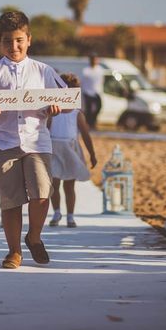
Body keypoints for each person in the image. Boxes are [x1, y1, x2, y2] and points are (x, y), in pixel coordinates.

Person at [0, 11, 65, 269]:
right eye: (7, 41)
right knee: (10, 200)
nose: (14, 46)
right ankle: (14, 252)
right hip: (3, 142)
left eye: (19, 40)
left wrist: (56, 107)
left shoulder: (44, 71)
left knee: (42, 192)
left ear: (29, 39)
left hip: (37, 141)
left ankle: (34, 236)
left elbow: (68, 101)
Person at [48, 73, 97, 228]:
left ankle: (70, 216)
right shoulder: (52, 112)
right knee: (53, 184)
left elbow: (86, 135)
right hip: (54, 148)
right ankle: (56, 212)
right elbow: (44, 130)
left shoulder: (77, 114)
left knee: (69, 185)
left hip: (70, 149)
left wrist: (92, 154)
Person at [81, 53, 104, 129]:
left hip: (97, 92)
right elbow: (83, 82)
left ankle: (93, 122)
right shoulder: (86, 70)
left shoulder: (100, 69)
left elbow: (101, 81)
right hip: (87, 92)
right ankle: (89, 124)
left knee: (99, 107)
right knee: (89, 109)